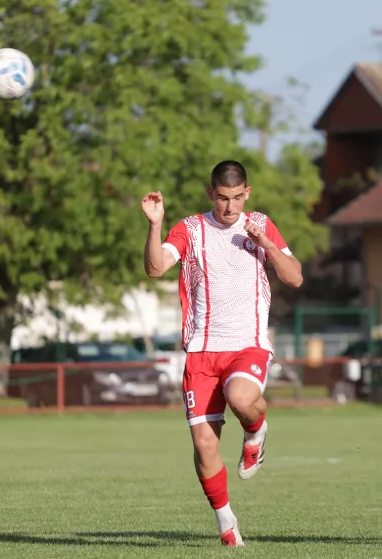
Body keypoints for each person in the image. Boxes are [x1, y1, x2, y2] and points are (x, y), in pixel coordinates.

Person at [142, 160, 303, 547]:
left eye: (236, 198)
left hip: (247, 344)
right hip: (201, 350)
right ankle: (226, 521)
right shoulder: (191, 229)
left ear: (247, 193)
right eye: (222, 198)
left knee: (241, 398)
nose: (229, 207)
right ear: (210, 194)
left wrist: (266, 245)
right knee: (204, 444)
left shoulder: (260, 224)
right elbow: (155, 267)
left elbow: (295, 277)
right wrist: (154, 223)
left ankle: (255, 432)